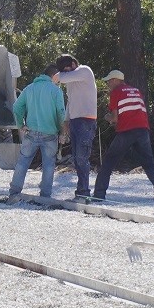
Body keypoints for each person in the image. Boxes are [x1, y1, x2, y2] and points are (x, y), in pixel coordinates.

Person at [90, 70, 154, 204]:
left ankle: (99, 194)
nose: (108, 84)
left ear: (115, 80)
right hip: (143, 130)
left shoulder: (116, 92)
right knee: (148, 161)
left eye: (109, 81)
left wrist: (107, 117)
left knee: (109, 161)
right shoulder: (135, 91)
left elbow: (115, 118)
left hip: (127, 131)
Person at [7, 64, 66, 203]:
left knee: (23, 162)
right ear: (54, 76)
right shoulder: (56, 91)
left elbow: (17, 107)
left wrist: (21, 125)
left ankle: (14, 193)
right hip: (50, 133)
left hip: (31, 132)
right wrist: (62, 131)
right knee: (49, 165)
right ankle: (45, 196)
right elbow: (61, 113)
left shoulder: (29, 88)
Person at [54, 54, 97, 203]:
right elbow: (70, 100)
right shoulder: (71, 79)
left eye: (67, 70)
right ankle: (81, 193)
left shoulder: (84, 70)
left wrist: (58, 76)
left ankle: (84, 194)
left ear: (73, 63)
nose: (66, 73)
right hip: (75, 121)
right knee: (77, 159)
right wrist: (66, 120)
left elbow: (59, 77)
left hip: (86, 121)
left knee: (82, 158)